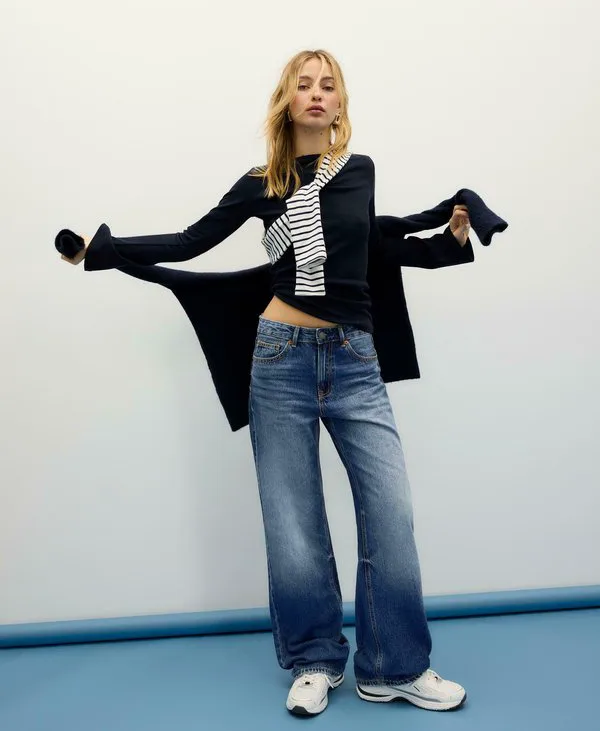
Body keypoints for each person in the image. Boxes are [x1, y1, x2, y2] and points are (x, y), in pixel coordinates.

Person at [62, 49, 470, 717]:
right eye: (304, 84)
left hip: (355, 361)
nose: (317, 93)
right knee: (293, 524)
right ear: (286, 101)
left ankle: (393, 666)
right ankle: (314, 660)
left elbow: (376, 245)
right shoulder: (262, 182)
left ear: (340, 104)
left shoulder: (358, 171)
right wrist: (102, 249)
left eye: (328, 85)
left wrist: (449, 239)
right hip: (280, 359)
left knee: (390, 512)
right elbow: (190, 241)